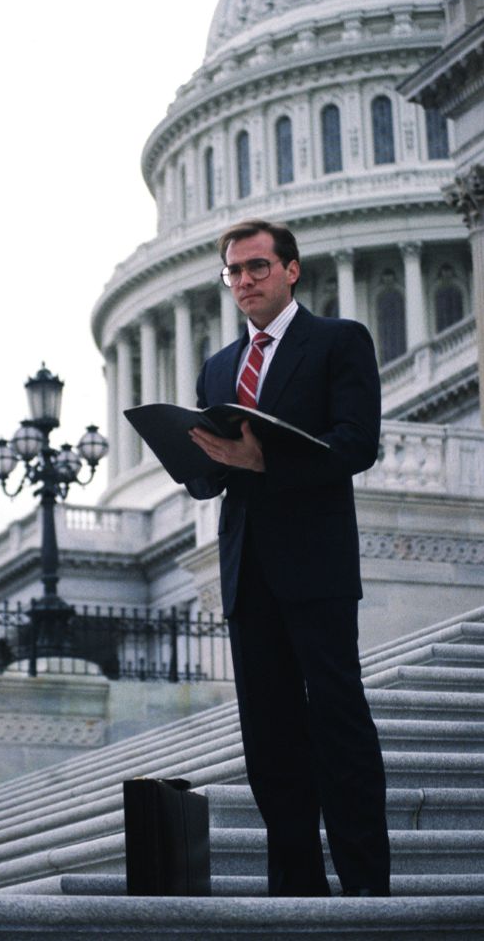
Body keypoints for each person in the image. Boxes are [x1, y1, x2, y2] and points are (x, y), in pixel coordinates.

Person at [187, 218, 390, 898]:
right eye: (234, 272)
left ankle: (366, 886)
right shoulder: (218, 367)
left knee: (338, 724)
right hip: (249, 572)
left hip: (316, 565)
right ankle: (297, 890)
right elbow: (211, 477)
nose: (244, 281)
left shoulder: (338, 342)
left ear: (291, 270)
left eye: (257, 267)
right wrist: (192, 460)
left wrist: (263, 460)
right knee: (269, 741)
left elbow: (356, 445)